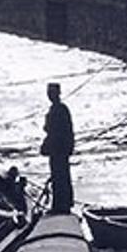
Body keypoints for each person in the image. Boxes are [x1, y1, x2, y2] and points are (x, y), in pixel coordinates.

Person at [40, 82, 74, 213]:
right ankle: (63, 204)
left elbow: (55, 129)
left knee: (59, 177)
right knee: (61, 176)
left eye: (51, 93)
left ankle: (60, 206)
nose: (50, 95)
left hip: (58, 148)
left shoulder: (58, 110)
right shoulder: (60, 109)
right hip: (60, 148)